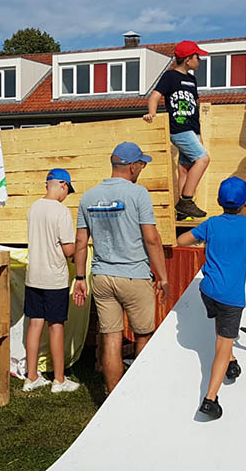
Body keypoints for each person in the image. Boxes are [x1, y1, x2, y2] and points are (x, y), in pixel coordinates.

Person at [73, 142, 170, 394]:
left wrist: (80, 277)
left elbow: (81, 241)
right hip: (134, 276)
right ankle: (140, 392)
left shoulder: (89, 196)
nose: (142, 169)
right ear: (132, 166)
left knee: (111, 337)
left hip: (102, 276)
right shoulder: (138, 194)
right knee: (143, 335)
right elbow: (152, 238)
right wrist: (163, 276)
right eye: (142, 164)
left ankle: (111, 395)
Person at [176, 177, 246, 419]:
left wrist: (205, 239)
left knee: (222, 327)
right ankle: (210, 399)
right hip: (231, 298)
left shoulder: (212, 224)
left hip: (208, 291)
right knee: (222, 345)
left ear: (218, 201)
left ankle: (232, 360)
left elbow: (181, 241)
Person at [22, 168, 80, 394]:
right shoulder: (61, 212)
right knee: (56, 327)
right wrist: (80, 246)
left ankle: (32, 376)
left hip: (33, 276)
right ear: (63, 185)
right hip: (54, 279)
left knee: (34, 325)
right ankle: (59, 379)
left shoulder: (34, 208)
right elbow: (68, 250)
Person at [144, 40, 210, 220]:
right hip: (179, 128)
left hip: (192, 129)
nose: (200, 60)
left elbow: (194, 108)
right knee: (203, 159)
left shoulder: (192, 79)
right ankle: (187, 200)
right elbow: (155, 97)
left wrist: (200, 135)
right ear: (188, 59)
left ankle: (181, 212)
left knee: (184, 169)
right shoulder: (170, 77)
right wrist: (152, 113)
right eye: (198, 57)